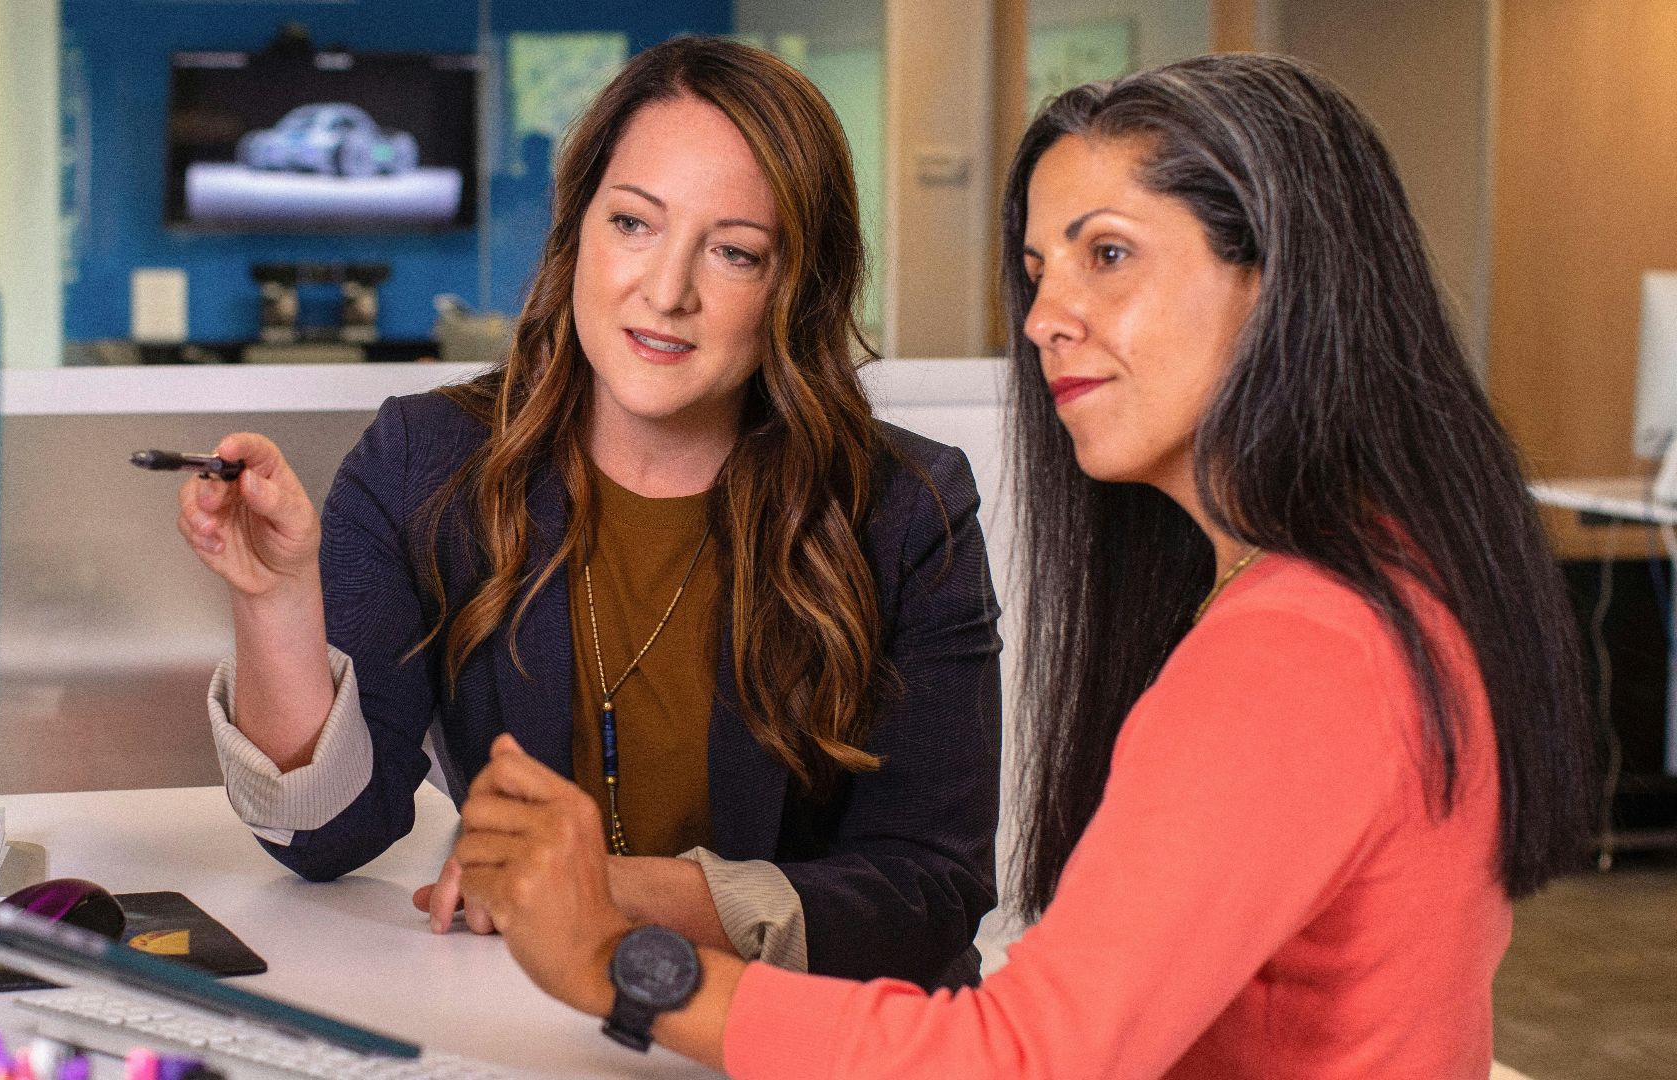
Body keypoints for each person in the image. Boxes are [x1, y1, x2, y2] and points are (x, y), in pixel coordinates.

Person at [448, 52, 1604, 1078]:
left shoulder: (1297, 650)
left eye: (1109, 256)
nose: (1047, 314)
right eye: (1041, 267)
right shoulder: (1393, 579)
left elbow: (1030, 1058)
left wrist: (618, 966)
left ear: (1280, 283)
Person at [175, 37, 1002, 990]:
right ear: (578, 232)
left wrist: (603, 889)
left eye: (734, 251)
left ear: (794, 287)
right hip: (533, 1026)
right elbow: (326, 835)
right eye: (634, 224)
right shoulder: (427, 464)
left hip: (800, 1037)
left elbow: (928, 893)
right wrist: (278, 598)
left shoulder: (905, 509)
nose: (666, 290)